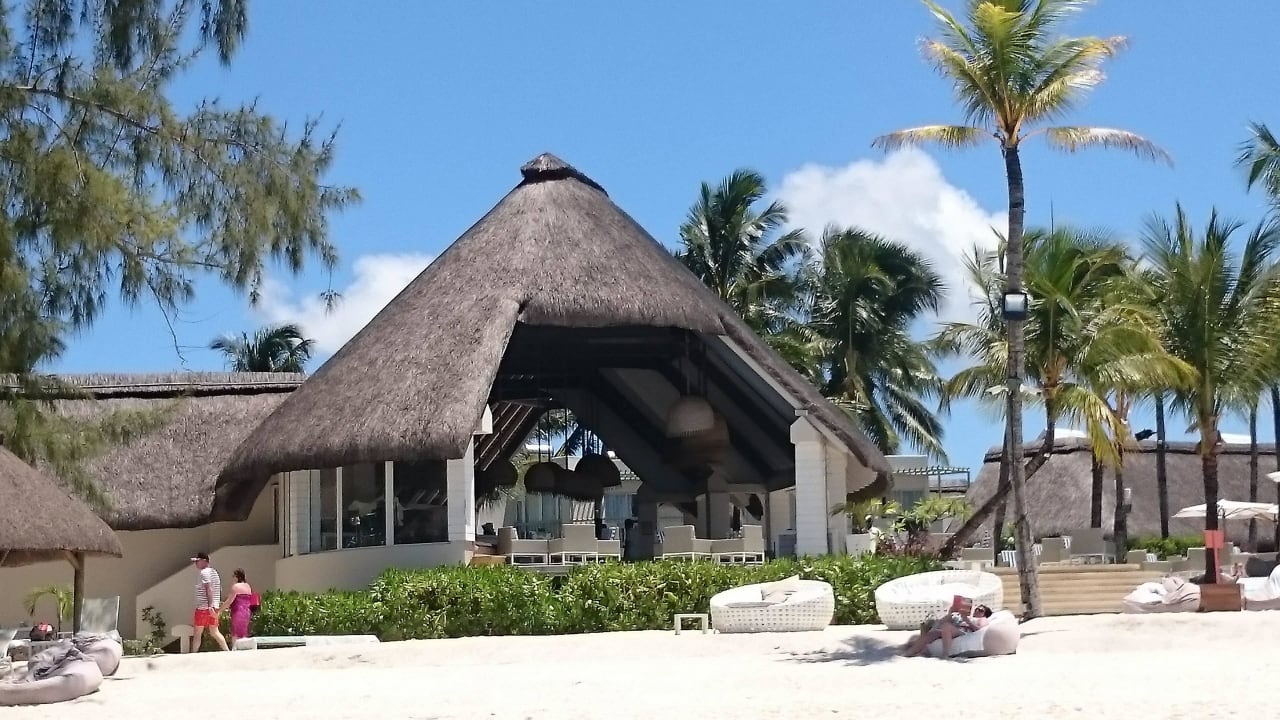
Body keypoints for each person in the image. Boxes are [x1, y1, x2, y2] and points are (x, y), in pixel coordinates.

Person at [902, 604, 992, 658]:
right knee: (933, 633)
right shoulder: (965, 616)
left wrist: (967, 621)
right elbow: (941, 622)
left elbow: (979, 630)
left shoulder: (982, 619)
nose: (977, 611)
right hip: (954, 629)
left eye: (980, 610)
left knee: (946, 627)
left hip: (965, 632)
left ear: (985, 614)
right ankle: (909, 653)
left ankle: (946, 655)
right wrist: (950, 613)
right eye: (977, 609)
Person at [191, 552, 228, 652]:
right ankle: (227, 650)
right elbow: (217, 589)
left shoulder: (204, 573)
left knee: (198, 632)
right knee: (214, 631)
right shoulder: (214, 572)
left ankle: (193, 654)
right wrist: (215, 605)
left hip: (204, 607)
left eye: (197, 561)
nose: (196, 563)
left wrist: (210, 605)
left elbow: (209, 588)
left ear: (204, 561)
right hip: (214, 607)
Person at [220, 568, 255, 643]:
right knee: (243, 633)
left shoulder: (236, 587)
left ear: (236, 577)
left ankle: (235, 650)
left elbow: (229, 601)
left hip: (238, 612)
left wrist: (219, 610)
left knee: (235, 634)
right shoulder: (248, 586)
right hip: (247, 612)